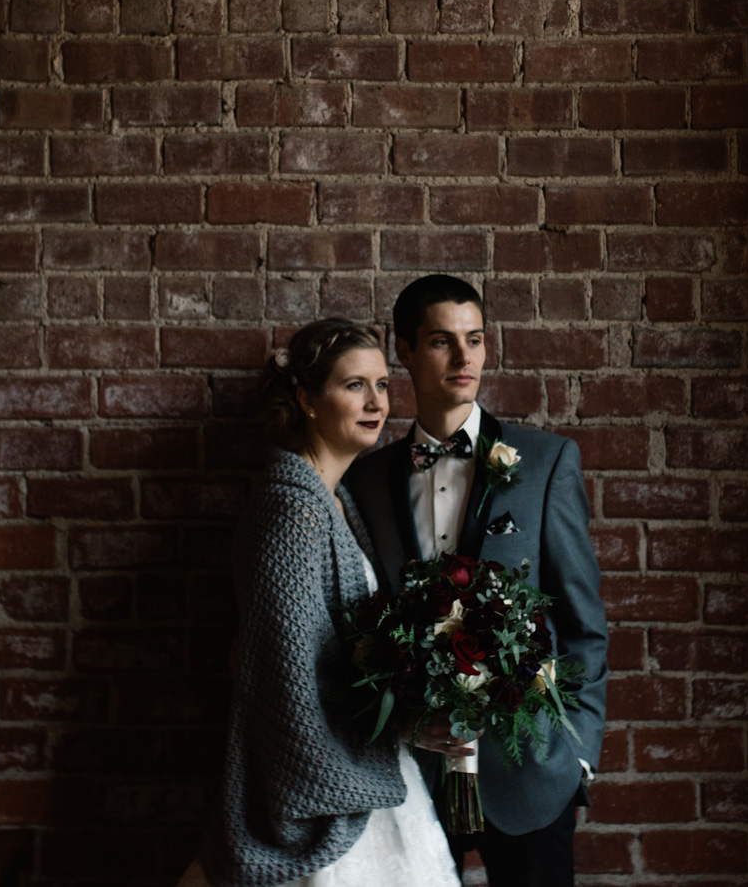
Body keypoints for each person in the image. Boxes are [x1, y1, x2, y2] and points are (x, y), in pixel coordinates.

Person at [343, 275, 609, 887]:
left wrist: (579, 758)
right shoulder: (367, 479)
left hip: (530, 775)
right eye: (442, 341)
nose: (465, 358)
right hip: (413, 780)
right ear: (403, 351)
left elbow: (582, 623)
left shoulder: (544, 462)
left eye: (476, 339)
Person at [184, 318, 460, 887]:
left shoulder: (335, 503)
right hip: (327, 784)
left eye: (383, 385)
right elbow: (287, 681)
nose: (376, 402)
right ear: (307, 399)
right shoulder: (293, 513)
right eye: (354, 385)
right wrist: (403, 721)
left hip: (367, 767)